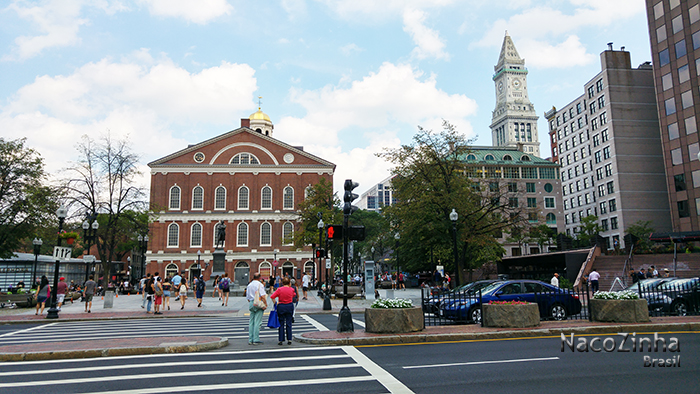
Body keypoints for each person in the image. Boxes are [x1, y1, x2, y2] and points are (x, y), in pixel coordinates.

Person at [270, 277, 295, 345]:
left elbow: (272, 296)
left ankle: (281, 339)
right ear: (289, 283)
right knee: (288, 323)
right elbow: (294, 295)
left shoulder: (279, 289)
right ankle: (289, 339)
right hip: (289, 306)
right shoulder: (291, 289)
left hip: (281, 306)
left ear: (282, 283)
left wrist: (275, 303)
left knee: (281, 323)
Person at [246, 273, 267, 345]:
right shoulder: (259, 285)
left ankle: (250, 339)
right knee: (257, 322)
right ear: (259, 278)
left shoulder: (249, 285)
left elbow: (248, 297)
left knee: (251, 322)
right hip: (258, 303)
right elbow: (263, 296)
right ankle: (256, 339)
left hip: (251, 303)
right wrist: (265, 304)